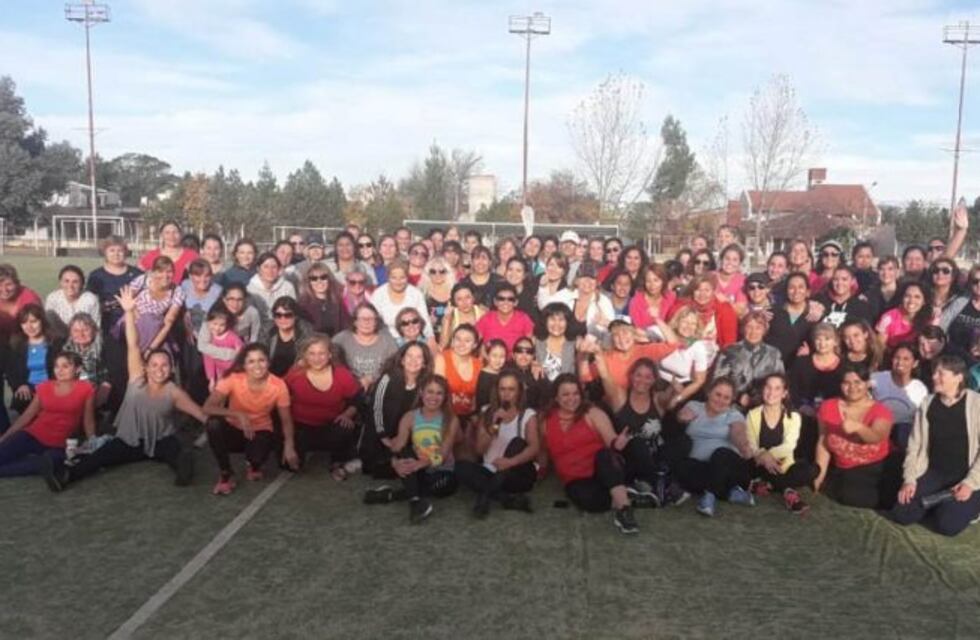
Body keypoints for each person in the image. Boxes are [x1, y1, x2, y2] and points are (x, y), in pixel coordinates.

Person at [39, 286, 203, 490]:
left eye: (164, 366)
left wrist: (221, 422)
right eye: (154, 365)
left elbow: (201, 414)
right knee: (100, 457)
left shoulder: (174, 392)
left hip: (161, 440)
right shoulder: (136, 378)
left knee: (174, 451)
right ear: (146, 367)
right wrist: (128, 311)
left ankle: (183, 470)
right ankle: (65, 476)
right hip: (130, 440)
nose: (159, 370)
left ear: (171, 369)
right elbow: (133, 344)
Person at [889, 356, 980, 536]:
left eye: (941, 373)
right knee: (902, 514)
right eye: (934, 372)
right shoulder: (927, 403)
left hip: (966, 474)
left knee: (947, 526)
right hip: (934, 472)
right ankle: (940, 502)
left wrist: (970, 483)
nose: (934, 377)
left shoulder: (976, 404)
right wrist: (910, 479)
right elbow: (915, 446)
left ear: (958, 377)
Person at [541, 374, 642, 534]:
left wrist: (618, 442)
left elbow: (611, 441)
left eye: (575, 393)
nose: (572, 398)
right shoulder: (546, 420)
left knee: (604, 456)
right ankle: (626, 494)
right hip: (575, 479)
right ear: (556, 397)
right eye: (566, 394)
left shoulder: (592, 412)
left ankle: (624, 510)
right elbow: (543, 452)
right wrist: (539, 472)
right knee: (590, 502)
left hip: (602, 470)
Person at [203, 343, 293, 495]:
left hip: (260, 430)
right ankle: (226, 473)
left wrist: (290, 446)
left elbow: (286, 419)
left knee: (258, 458)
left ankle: (253, 464)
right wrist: (238, 414)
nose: (257, 365)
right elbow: (207, 407)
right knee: (213, 424)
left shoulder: (278, 385)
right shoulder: (232, 378)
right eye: (251, 361)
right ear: (244, 365)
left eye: (261, 360)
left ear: (268, 362)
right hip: (234, 430)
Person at [373, 375, 460, 524]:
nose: (434, 397)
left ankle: (392, 495)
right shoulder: (410, 417)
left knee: (442, 488)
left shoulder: (451, 419)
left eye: (439, 393)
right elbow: (398, 447)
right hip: (417, 468)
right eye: (430, 391)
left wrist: (422, 463)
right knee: (405, 454)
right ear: (421, 393)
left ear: (445, 397)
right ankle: (415, 502)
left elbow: (443, 455)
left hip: (441, 471)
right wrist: (396, 463)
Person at [814, 362, 898, 509]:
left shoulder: (881, 410)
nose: (852, 387)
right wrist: (819, 475)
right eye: (846, 382)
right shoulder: (827, 407)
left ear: (867, 384)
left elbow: (878, 436)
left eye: (857, 382)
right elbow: (823, 442)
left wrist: (858, 427)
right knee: (846, 495)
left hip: (878, 466)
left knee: (891, 501)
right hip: (847, 468)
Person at [456, 371, 540, 516]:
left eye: (511, 389)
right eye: (503, 389)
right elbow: (480, 450)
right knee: (461, 467)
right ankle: (505, 498)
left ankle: (485, 497)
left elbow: (534, 447)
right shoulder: (487, 412)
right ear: (497, 391)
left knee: (518, 442)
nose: (506, 394)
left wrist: (510, 462)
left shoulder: (527, 414)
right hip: (490, 471)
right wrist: (494, 425)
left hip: (516, 472)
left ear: (519, 392)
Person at [0, 351, 94, 477]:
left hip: (59, 444)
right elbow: (26, 417)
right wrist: (5, 437)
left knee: (47, 463)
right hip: (33, 435)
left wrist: (93, 443)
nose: (60, 370)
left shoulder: (86, 389)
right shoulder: (44, 387)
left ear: (78, 369)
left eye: (65, 366)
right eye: (57, 366)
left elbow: (88, 420)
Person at [283, 335, 363, 480]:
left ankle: (337, 461)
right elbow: (280, 397)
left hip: (331, 427)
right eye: (312, 353)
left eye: (321, 353)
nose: (317, 358)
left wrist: (348, 414)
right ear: (305, 355)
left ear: (329, 354)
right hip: (301, 428)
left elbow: (358, 397)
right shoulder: (295, 372)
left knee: (344, 427)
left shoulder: (341, 374)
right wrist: (288, 444)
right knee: (290, 466)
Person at [675, 377, 755, 517]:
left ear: (731, 400)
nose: (720, 400)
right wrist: (682, 417)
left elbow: (738, 433)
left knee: (721, 453)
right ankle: (729, 493)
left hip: (727, 466)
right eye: (718, 394)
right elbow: (682, 415)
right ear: (709, 393)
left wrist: (743, 445)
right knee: (683, 467)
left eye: (726, 397)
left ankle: (709, 497)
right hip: (700, 467)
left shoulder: (734, 415)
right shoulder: (695, 406)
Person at [745, 373, 819, 514]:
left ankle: (766, 486)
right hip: (759, 464)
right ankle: (789, 492)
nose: (771, 392)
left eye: (777, 388)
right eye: (768, 387)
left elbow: (789, 445)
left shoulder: (794, 417)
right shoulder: (752, 415)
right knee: (747, 466)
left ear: (784, 393)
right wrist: (762, 456)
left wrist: (768, 454)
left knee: (812, 469)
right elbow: (751, 445)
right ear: (762, 389)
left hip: (784, 465)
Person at [362, 342, 432, 477]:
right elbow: (375, 408)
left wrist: (404, 438)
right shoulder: (388, 378)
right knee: (373, 465)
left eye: (419, 357)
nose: (413, 361)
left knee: (411, 464)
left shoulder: (425, 383)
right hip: (379, 431)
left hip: (405, 436)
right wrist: (384, 437)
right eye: (409, 356)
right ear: (402, 359)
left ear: (424, 363)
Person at [712, 311, 785, 408]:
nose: (753, 332)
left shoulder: (774, 354)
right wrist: (738, 396)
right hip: (732, 405)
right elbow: (717, 381)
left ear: (764, 330)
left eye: (758, 328)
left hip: (764, 406)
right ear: (743, 329)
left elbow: (780, 383)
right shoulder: (729, 351)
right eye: (749, 327)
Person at [5, 304, 64, 415]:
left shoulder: (56, 344)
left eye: (33, 321)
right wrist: (20, 385)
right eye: (25, 323)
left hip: (52, 389)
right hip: (28, 391)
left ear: (42, 321)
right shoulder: (16, 346)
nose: (29, 326)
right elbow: (11, 373)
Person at [124, 256, 185, 357]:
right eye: (160, 271)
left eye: (169, 271)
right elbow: (127, 300)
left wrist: (150, 349)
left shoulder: (177, 291)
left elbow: (168, 323)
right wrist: (139, 318)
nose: (165, 275)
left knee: (164, 350)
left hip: (156, 328)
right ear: (153, 272)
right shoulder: (143, 280)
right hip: (133, 320)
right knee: (147, 321)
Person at [657, 306, 715, 411]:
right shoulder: (664, 335)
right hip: (659, 382)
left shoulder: (698, 346)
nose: (688, 326)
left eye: (693, 324)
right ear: (677, 322)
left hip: (684, 387)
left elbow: (699, 381)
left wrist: (677, 399)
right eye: (685, 321)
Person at [872, 343, 928, 449]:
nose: (900, 362)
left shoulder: (920, 389)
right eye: (897, 358)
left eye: (906, 359)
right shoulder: (877, 379)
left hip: (905, 435)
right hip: (878, 430)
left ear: (915, 363)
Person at [332, 302, 398, 391]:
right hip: (348, 385)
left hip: (379, 387)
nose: (367, 322)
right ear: (355, 322)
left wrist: (372, 378)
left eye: (371, 319)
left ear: (376, 322)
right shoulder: (341, 339)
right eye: (362, 319)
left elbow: (394, 365)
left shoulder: (387, 340)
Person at [86, 235, 142, 331]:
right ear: (105, 252)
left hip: (133, 321)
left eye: (120, 250)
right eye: (112, 250)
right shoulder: (96, 276)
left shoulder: (137, 274)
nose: (116, 254)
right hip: (104, 322)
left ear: (125, 252)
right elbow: (89, 301)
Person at [669, 275, 738, 348]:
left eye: (707, 290)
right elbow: (670, 329)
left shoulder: (724, 310)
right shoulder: (681, 306)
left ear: (713, 291)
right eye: (698, 290)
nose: (702, 294)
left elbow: (729, 343)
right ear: (692, 291)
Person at [370, 259, 432, 340]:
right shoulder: (378, 294)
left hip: (412, 338)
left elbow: (424, 320)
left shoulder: (416, 294)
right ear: (388, 277)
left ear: (407, 277)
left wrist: (431, 338)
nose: (398, 282)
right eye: (394, 278)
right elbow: (373, 320)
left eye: (402, 277)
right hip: (386, 339)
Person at [435, 324, 482, 423]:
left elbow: (476, 399)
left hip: (468, 417)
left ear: (475, 345)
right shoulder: (441, 358)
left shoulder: (479, 365)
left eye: (467, 341)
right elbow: (437, 391)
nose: (461, 344)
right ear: (452, 341)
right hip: (444, 415)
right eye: (458, 339)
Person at [765, 272, 814, 368]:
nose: (796, 291)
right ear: (786, 291)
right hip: (774, 368)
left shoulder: (814, 315)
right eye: (791, 287)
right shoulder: (772, 313)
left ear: (807, 291)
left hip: (802, 368)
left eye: (801, 287)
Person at [475, 283, 534, 352]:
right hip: (490, 361)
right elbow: (476, 342)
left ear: (516, 302)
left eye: (510, 299)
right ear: (495, 302)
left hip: (515, 361)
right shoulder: (486, 319)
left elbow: (529, 347)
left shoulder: (524, 319)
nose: (506, 302)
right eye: (501, 299)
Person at [875, 281, 931, 352]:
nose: (911, 300)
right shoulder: (888, 318)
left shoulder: (930, 319)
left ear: (924, 301)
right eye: (907, 296)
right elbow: (879, 347)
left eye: (917, 297)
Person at [247, 252, 297, 332]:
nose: (270, 271)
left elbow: (293, 312)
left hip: (284, 326)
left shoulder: (287, 287)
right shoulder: (250, 289)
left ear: (279, 269)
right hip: (260, 329)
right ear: (258, 269)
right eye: (266, 267)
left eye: (274, 267)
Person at [297, 262, 350, 336]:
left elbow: (346, 327)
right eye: (314, 278)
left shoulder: (338, 301)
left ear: (329, 279)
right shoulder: (302, 305)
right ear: (309, 282)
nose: (319, 281)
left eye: (323, 277)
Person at [44, 265, 101, 332]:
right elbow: (48, 326)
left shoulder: (90, 300)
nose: (70, 286)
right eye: (66, 281)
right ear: (60, 282)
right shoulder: (53, 298)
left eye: (75, 282)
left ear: (82, 284)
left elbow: (96, 328)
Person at [266, 297, 311, 377]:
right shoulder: (267, 330)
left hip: (297, 377)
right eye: (278, 315)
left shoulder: (305, 332)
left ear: (296, 316)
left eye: (288, 315)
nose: (282, 319)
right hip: (270, 378)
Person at [201, 306, 243, 391]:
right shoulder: (209, 340)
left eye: (221, 325)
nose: (217, 328)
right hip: (220, 374)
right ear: (208, 323)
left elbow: (241, 350)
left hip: (234, 373)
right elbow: (209, 360)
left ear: (226, 324)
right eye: (214, 324)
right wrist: (212, 379)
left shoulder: (232, 336)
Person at [0, 263, 42, 344]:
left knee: (15, 340)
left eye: (8, 284)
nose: (4, 290)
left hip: (23, 338)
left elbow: (37, 329)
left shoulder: (29, 298)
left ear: (17, 283)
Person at [942, 264, 980, 352]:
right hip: (951, 354)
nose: (979, 284)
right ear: (970, 283)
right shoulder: (960, 301)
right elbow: (943, 323)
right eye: (975, 281)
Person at [438, 282, 485, 350]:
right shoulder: (451, 315)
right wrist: (447, 319)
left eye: (467, 297)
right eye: (459, 299)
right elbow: (443, 345)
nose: (464, 302)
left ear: (473, 298)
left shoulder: (482, 314)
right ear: (454, 302)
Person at [420, 254, 455, 343]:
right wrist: (427, 323)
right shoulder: (422, 294)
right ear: (427, 273)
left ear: (448, 272)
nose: (437, 274)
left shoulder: (455, 293)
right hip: (428, 339)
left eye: (442, 271)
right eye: (433, 271)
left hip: (453, 339)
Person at [475, 339, 508, 409]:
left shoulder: (504, 374)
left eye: (502, 356)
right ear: (487, 356)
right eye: (494, 356)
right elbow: (481, 403)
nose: (498, 360)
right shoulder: (483, 376)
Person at [714, 244, 748, 312]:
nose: (730, 263)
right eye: (727, 258)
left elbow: (740, 310)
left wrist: (725, 300)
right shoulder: (710, 276)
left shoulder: (743, 281)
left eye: (735, 260)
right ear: (721, 260)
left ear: (739, 263)